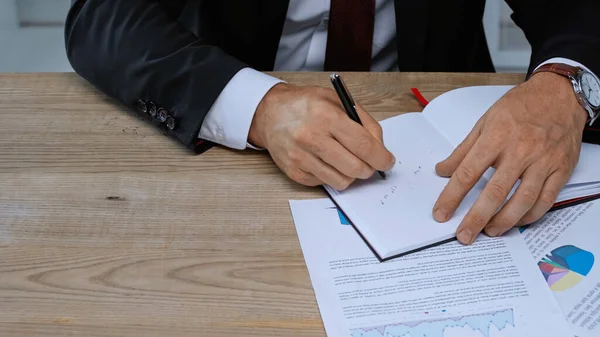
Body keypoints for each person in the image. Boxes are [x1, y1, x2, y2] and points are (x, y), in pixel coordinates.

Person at [65, 0, 600, 245]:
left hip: (437, 128)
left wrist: (566, 85)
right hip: (227, 158)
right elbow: (103, 17)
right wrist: (259, 107)